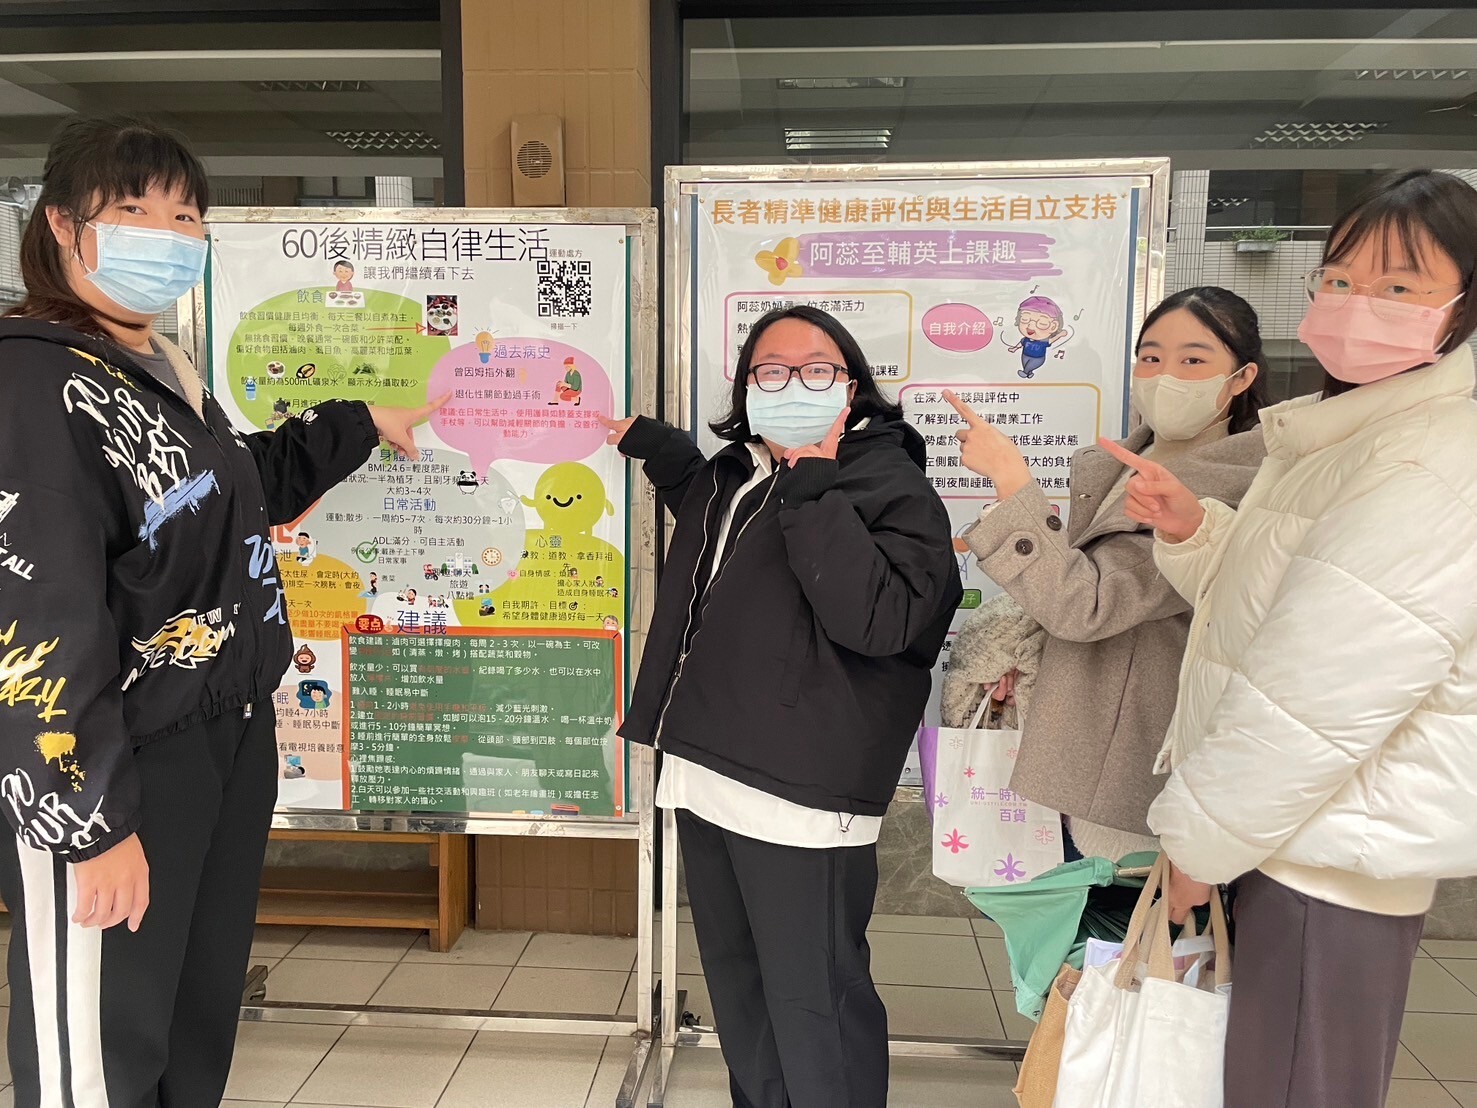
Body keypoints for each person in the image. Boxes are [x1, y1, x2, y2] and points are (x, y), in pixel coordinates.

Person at [0, 114, 443, 1107]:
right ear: (63, 225)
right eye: (132, 209)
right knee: (101, 1049)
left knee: (190, 1023)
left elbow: (228, 488)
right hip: (113, 759)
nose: (165, 234)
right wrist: (89, 821)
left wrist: (361, 423)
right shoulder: (32, 380)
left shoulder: (154, 367)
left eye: (184, 215)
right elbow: (32, 617)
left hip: (218, 734)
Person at [1108, 170, 1477, 1108]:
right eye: (1340, 278)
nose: (1356, 303)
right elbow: (1282, 604)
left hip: (1320, 857)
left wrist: (1197, 842)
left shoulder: (1427, 455)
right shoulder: (1350, 433)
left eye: (1399, 285)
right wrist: (1198, 532)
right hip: (1287, 839)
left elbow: (1318, 693)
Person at [601, 305, 960, 1108]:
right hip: (705, 767)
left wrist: (812, 486)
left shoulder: (886, 483)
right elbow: (721, 531)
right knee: (742, 990)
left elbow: (881, 622)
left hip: (800, 791)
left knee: (814, 1001)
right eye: (771, 370)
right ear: (746, 385)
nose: (792, 384)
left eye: (815, 369)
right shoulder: (741, 473)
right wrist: (667, 453)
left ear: (851, 386)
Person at [943, 288, 1270, 862]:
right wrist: (1029, 649)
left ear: (1241, 378)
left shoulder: (1236, 485)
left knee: (1113, 913)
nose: (1165, 376)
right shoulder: (1115, 464)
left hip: (1130, 760)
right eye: (1151, 357)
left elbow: (1088, 606)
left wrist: (1012, 482)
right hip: (1068, 734)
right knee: (1049, 912)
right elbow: (1071, 584)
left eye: (1193, 359)